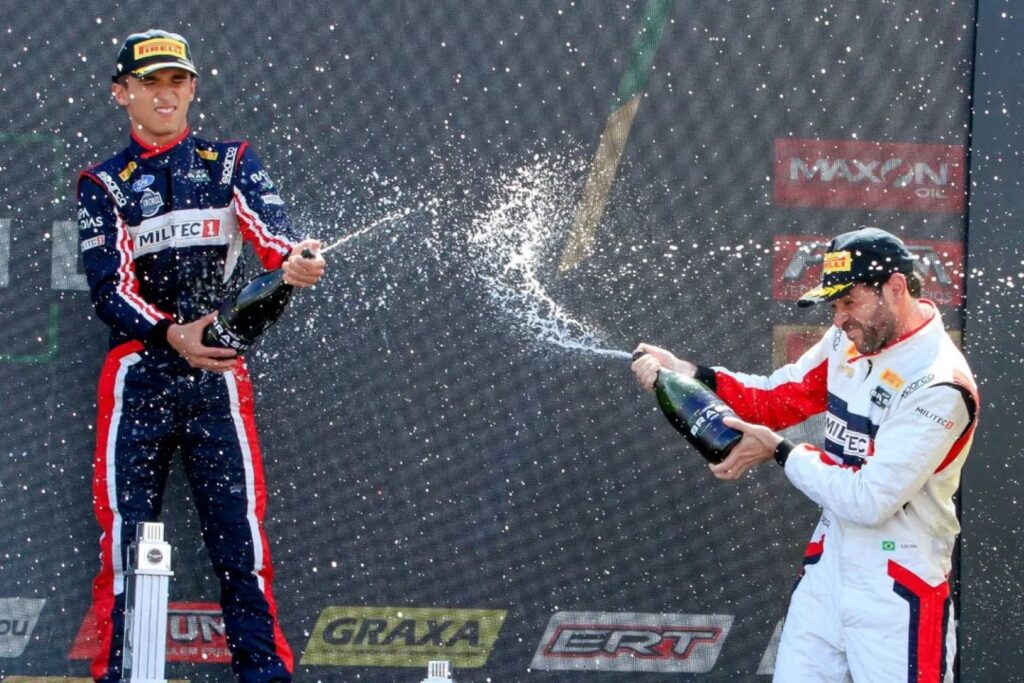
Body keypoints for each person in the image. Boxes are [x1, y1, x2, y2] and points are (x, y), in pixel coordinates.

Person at [77, 29, 325, 683]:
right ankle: (122, 674)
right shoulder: (104, 183)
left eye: (177, 81)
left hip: (216, 376)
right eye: (150, 83)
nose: (165, 95)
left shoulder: (230, 160)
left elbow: (276, 239)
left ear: (193, 89)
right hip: (139, 374)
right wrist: (170, 333)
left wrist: (295, 263)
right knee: (125, 542)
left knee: (240, 541)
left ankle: (264, 674)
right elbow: (109, 288)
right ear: (121, 92)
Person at [632, 227, 977, 682]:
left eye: (848, 303)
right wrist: (691, 373)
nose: (838, 321)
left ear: (895, 289)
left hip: (899, 587)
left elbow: (868, 499)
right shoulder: (848, 340)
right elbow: (777, 398)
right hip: (828, 571)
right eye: (833, 306)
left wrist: (779, 451)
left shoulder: (939, 384)